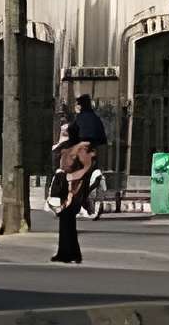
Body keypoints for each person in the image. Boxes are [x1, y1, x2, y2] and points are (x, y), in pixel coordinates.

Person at [52, 96, 105, 264]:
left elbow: (83, 168)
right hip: (73, 184)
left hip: (74, 186)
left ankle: (67, 253)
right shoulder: (92, 124)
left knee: (67, 217)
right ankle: (70, 253)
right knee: (67, 219)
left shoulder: (81, 147)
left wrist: (71, 177)